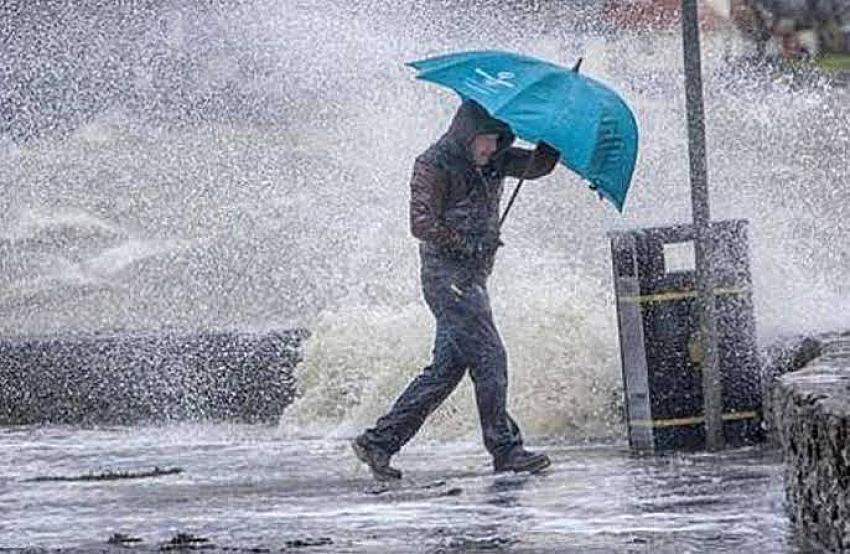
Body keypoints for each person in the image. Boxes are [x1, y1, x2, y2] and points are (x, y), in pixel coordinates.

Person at [352, 99, 560, 481]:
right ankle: (506, 449)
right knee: (491, 358)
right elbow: (421, 223)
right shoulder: (433, 164)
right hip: (447, 279)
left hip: (473, 279)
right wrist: (465, 244)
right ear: (467, 134)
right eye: (485, 140)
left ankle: (379, 442)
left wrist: (554, 136)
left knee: (446, 371)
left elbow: (537, 167)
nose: (491, 149)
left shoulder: (496, 159)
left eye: (498, 140)